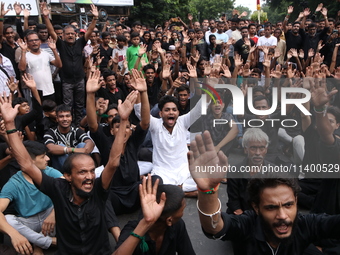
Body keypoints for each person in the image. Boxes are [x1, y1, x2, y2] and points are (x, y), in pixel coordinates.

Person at [1, 89, 138, 255]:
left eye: (91, 171)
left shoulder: (98, 190)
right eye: (82, 172)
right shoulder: (58, 188)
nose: (89, 177)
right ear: (67, 177)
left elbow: (113, 161)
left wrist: (124, 120)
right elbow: (26, 164)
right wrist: (10, 125)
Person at [188, 131, 340, 255]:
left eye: (288, 205)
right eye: (271, 207)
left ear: (295, 200)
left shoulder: (304, 225)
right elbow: (215, 227)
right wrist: (207, 190)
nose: (282, 215)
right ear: (256, 207)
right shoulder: (247, 224)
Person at [41, 2, 99, 125]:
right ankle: (68, 125)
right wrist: (46, 17)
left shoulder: (80, 43)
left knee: (79, 104)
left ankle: (78, 124)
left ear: (76, 35)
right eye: (68, 34)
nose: (70, 35)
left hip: (79, 79)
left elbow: (89, 31)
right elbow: (51, 31)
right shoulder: (61, 44)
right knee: (67, 104)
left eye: (72, 33)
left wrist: (95, 18)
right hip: (66, 81)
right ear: (63, 35)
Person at [0, 141, 61, 255]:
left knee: (68, 204)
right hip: (29, 224)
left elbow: (70, 192)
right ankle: (46, 242)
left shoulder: (50, 172)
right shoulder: (14, 183)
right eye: (43, 157)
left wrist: (54, 213)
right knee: (8, 219)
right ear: (29, 160)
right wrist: (14, 234)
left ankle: (38, 244)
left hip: (49, 220)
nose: (47, 158)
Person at [113, 175, 195, 255]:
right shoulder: (132, 230)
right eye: (182, 210)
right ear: (169, 220)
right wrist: (146, 223)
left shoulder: (177, 226)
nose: (183, 214)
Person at [43, 104, 95, 170]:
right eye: (61, 117)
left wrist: (85, 150)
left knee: (83, 145)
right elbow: (50, 148)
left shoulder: (77, 130)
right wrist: (73, 150)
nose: (65, 119)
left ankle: (81, 171)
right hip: (60, 169)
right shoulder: (50, 132)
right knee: (60, 146)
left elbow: (90, 142)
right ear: (57, 119)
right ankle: (72, 173)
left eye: (67, 116)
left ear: (71, 118)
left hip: (77, 164)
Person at [18, 31, 62, 102]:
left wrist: (54, 50)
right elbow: (22, 68)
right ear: (27, 43)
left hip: (49, 90)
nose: (34, 42)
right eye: (31, 40)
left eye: (36, 40)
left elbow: (59, 65)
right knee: (38, 112)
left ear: (40, 41)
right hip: (35, 91)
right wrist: (23, 50)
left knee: (50, 111)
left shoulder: (46, 54)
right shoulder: (26, 56)